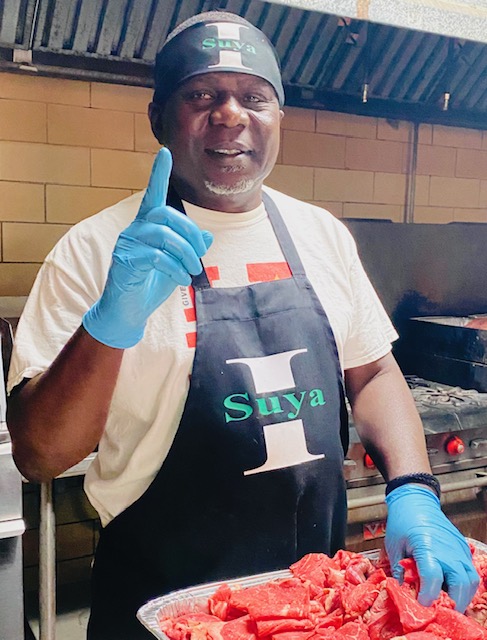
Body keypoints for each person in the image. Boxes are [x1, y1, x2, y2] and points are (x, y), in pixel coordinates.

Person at [7, 10, 479, 640]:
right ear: (159, 120)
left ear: (278, 118)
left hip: (316, 603)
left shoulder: (321, 234)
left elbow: (372, 372)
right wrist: (109, 324)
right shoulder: (95, 250)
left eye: (254, 97)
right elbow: (41, 454)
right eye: (202, 95)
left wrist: (414, 489)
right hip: (158, 606)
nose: (230, 115)